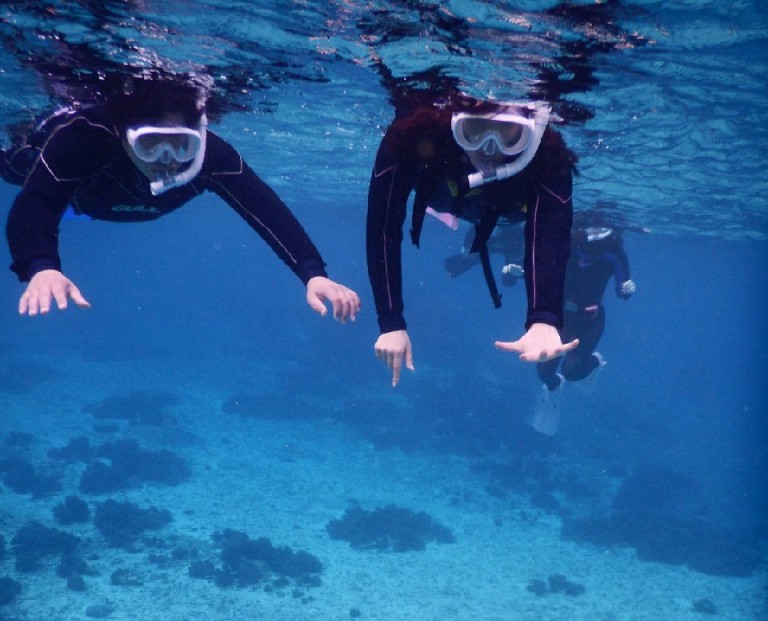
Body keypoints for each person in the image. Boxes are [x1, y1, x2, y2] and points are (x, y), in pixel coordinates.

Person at [2, 74, 360, 323]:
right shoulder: (86, 138)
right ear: (120, 132)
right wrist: (41, 266)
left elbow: (265, 209)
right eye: (151, 144)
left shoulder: (210, 156)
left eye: (180, 144)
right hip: (76, 189)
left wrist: (313, 274)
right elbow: (36, 204)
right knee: (16, 166)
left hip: (100, 203)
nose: (168, 159)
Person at [365, 97, 578, 387]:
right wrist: (390, 320)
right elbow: (383, 226)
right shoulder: (413, 132)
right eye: (474, 130)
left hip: (508, 207)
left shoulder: (548, 152)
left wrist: (544, 317)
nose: (489, 148)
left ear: (532, 129)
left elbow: (550, 233)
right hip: (445, 190)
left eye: (508, 134)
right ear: (454, 122)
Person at [532, 217, 636, 434]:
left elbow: (621, 286)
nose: (597, 233)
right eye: (593, 225)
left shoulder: (614, 253)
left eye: (602, 227)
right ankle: (553, 388)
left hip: (590, 322)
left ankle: (594, 363)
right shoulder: (568, 244)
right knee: (544, 371)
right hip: (561, 318)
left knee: (571, 372)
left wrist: (625, 289)